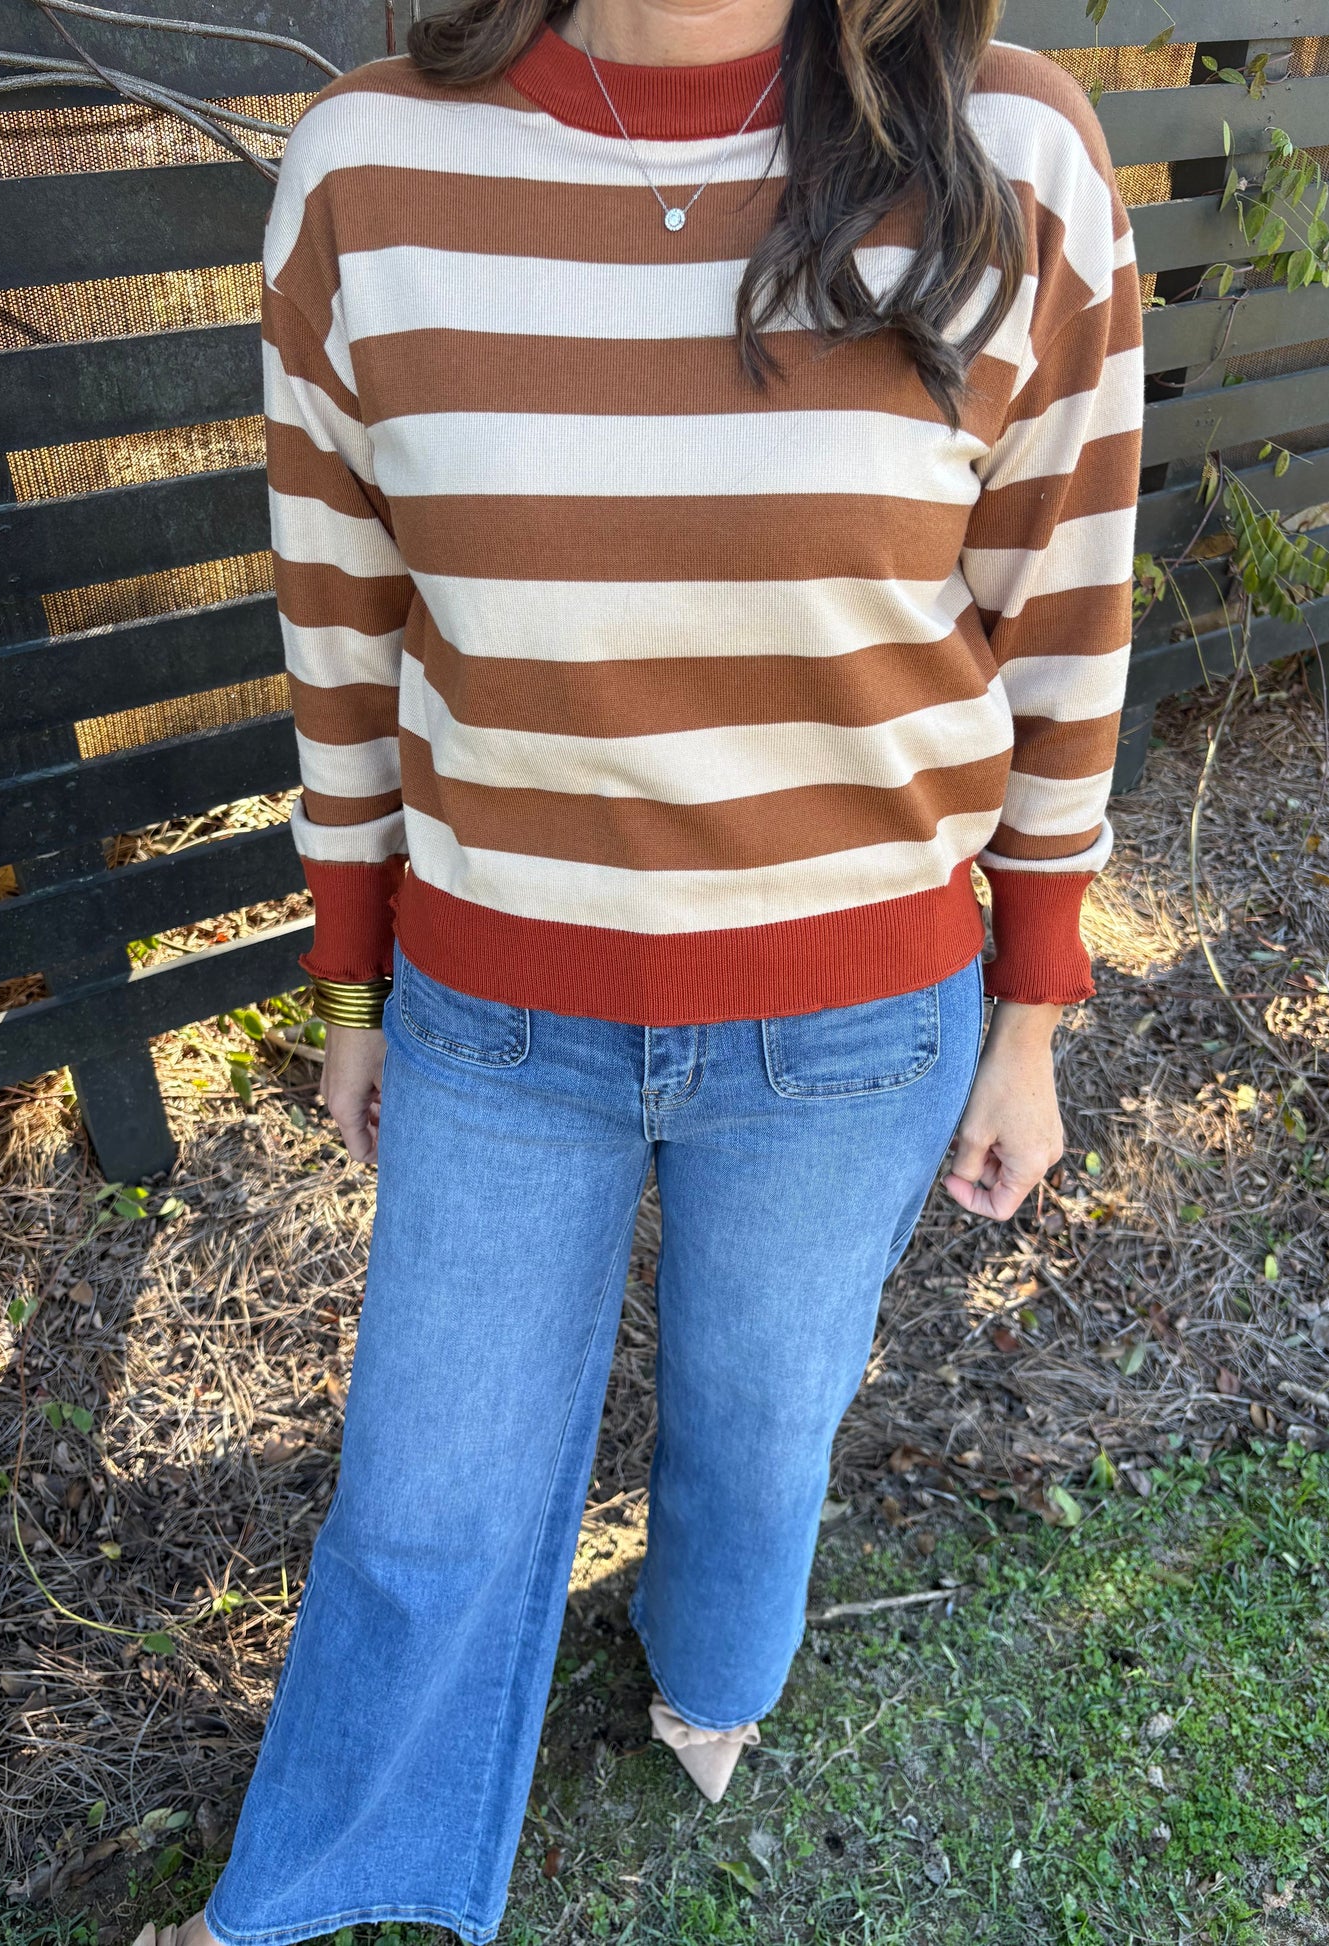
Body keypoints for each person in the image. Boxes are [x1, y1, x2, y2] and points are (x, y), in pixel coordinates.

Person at [142, 0, 1141, 1938]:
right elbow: (341, 634)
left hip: (853, 1023)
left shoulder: (1010, 156)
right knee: (424, 1494)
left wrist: (1031, 1010)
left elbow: (1064, 618)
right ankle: (310, 1890)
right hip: (498, 1016)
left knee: (762, 1430)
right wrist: (350, 982)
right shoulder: (367, 173)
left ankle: (714, 1670)